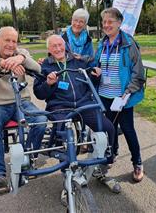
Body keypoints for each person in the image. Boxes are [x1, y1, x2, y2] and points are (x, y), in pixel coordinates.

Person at [33, 34, 121, 196]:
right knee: (66, 139)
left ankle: (102, 168)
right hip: (59, 107)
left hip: (83, 104)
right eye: (54, 46)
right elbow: (39, 93)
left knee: (108, 128)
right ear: (49, 50)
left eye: (60, 45)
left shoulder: (79, 61)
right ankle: (68, 178)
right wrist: (48, 84)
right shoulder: (44, 66)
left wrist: (97, 74)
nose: (58, 49)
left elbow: (92, 82)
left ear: (65, 45)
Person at [0, 26, 46, 195]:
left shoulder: (21, 52)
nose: (11, 44)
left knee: (41, 121)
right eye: (7, 40)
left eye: (14, 41)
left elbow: (38, 69)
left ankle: (26, 158)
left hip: (22, 102)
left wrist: (21, 58)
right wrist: (1, 63)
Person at [94, 7, 146, 182]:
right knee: (109, 130)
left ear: (119, 22)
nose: (106, 25)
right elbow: (96, 63)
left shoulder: (129, 44)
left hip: (122, 98)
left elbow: (138, 74)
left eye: (110, 21)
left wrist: (127, 94)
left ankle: (137, 162)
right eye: (104, 22)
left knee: (128, 130)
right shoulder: (102, 44)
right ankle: (111, 155)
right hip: (104, 96)